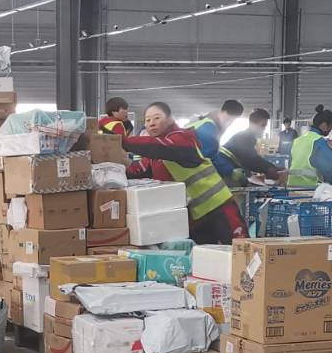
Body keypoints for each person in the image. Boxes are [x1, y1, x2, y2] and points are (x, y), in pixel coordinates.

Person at [123, 101, 246, 244]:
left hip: (218, 207)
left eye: (157, 118)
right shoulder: (153, 157)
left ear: (170, 119)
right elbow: (137, 170)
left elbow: (162, 148)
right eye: (148, 120)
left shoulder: (183, 138)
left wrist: (123, 142)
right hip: (195, 218)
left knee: (241, 249)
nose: (152, 123)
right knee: (202, 254)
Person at [215, 108, 287, 185]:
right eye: (263, 125)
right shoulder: (245, 137)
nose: (264, 129)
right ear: (253, 122)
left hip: (226, 166)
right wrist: (269, 169)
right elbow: (251, 160)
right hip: (224, 168)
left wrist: (272, 168)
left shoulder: (246, 136)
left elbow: (250, 159)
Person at [287, 105, 332, 190]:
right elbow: (329, 171)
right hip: (310, 188)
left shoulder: (297, 140)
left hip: (291, 187)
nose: (330, 130)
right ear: (324, 125)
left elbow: (291, 164)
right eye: (330, 127)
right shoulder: (319, 142)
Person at [187, 99, 244, 166]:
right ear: (224, 112)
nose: (229, 123)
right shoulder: (209, 128)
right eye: (229, 119)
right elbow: (207, 157)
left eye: (232, 121)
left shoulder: (207, 120)